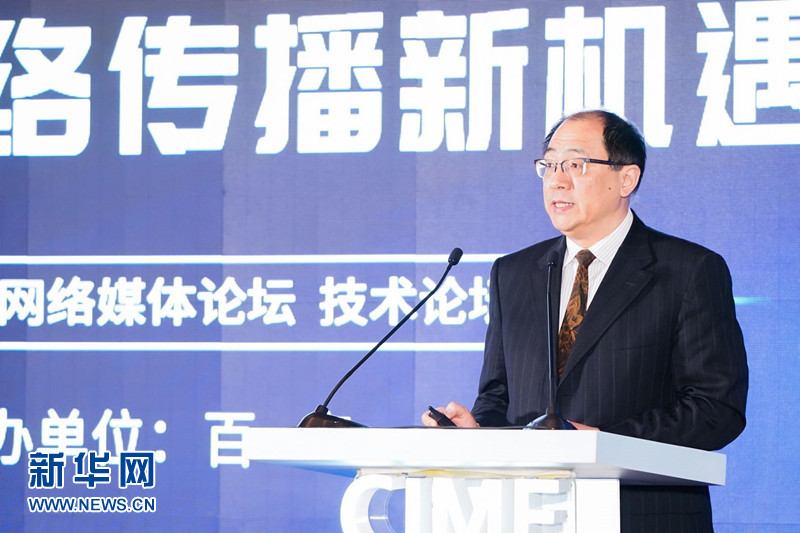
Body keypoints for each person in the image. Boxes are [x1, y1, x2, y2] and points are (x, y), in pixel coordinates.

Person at [422, 109, 748, 532]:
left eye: (575, 164)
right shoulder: (513, 273)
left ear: (626, 179)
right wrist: (477, 430)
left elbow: (715, 408)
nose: (556, 180)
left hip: (643, 515)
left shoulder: (688, 270)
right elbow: (498, 396)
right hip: (529, 515)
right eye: (549, 165)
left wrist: (601, 442)